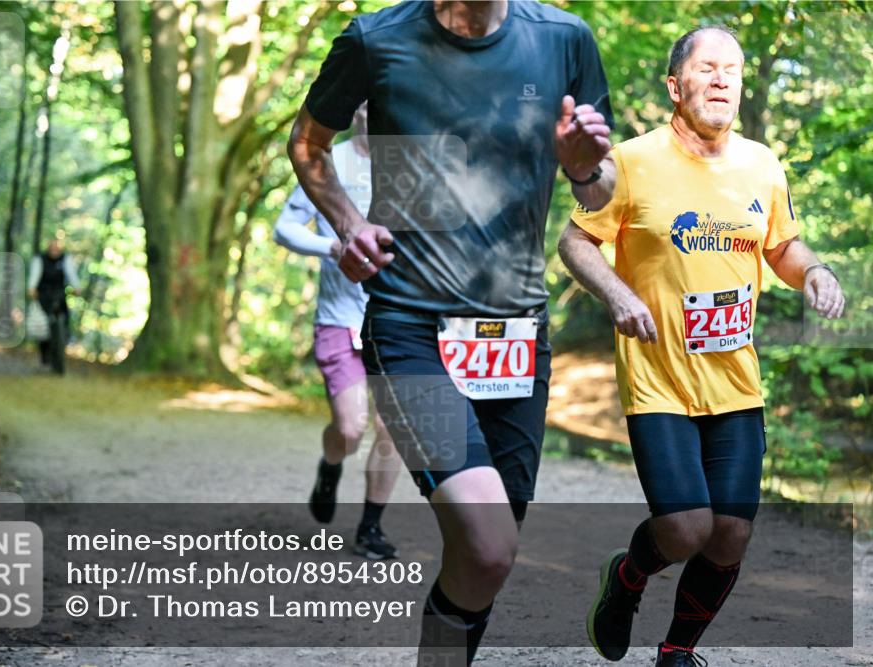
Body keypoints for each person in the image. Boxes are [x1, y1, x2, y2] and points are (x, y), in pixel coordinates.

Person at [288, 1, 615, 663]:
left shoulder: (563, 39)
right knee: (488, 541)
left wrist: (584, 166)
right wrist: (350, 224)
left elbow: (599, 191)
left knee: (489, 555)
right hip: (411, 328)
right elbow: (308, 143)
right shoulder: (376, 39)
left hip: (515, 337)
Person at [558, 26, 845, 667]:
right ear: (675, 84)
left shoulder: (761, 164)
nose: (722, 80)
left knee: (731, 535)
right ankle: (627, 578)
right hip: (658, 378)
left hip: (735, 382)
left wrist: (816, 271)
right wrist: (618, 296)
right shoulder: (630, 162)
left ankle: (677, 651)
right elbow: (575, 242)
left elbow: (781, 246)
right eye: (708, 68)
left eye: (733, 70)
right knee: (687, 529)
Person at [274, 102, 404, 560]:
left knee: (395, 429)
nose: (375, 108)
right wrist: (333, 245)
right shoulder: (330, 162)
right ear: (355, 110)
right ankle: (331, 467)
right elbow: (285, 228)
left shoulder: (413, 166)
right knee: (350, 429)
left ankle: (371, 527)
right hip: (340, 318)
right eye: (365, 100)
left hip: (398, 319)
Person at [28, 233, 81, 368]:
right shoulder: (40, 259)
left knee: (64, 318)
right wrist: (32, 288)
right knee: (43, 325)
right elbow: (34, 275)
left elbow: (72, 275)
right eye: (52, 246)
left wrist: (76, 288)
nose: (54, 249)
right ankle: (44, 353)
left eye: (57, 247)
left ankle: (64, 340)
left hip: (60, 295)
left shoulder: (65, 259)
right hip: (43, 296)